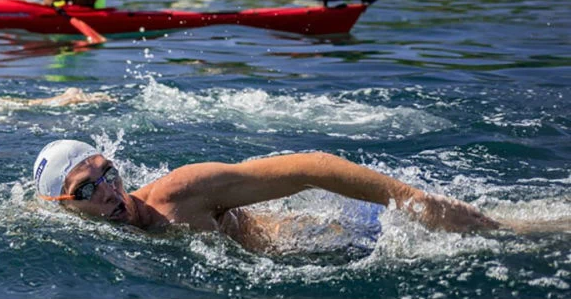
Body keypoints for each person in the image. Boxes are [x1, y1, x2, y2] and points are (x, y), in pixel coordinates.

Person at [33, 140, 502, 253]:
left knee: (512, 233)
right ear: (63, 207)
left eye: (109, 173)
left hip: (343, 240)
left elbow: (307, 167)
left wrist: (414, 202)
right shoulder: (65, 227)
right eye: (88, 189)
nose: (111, 191)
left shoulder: (178, 194)